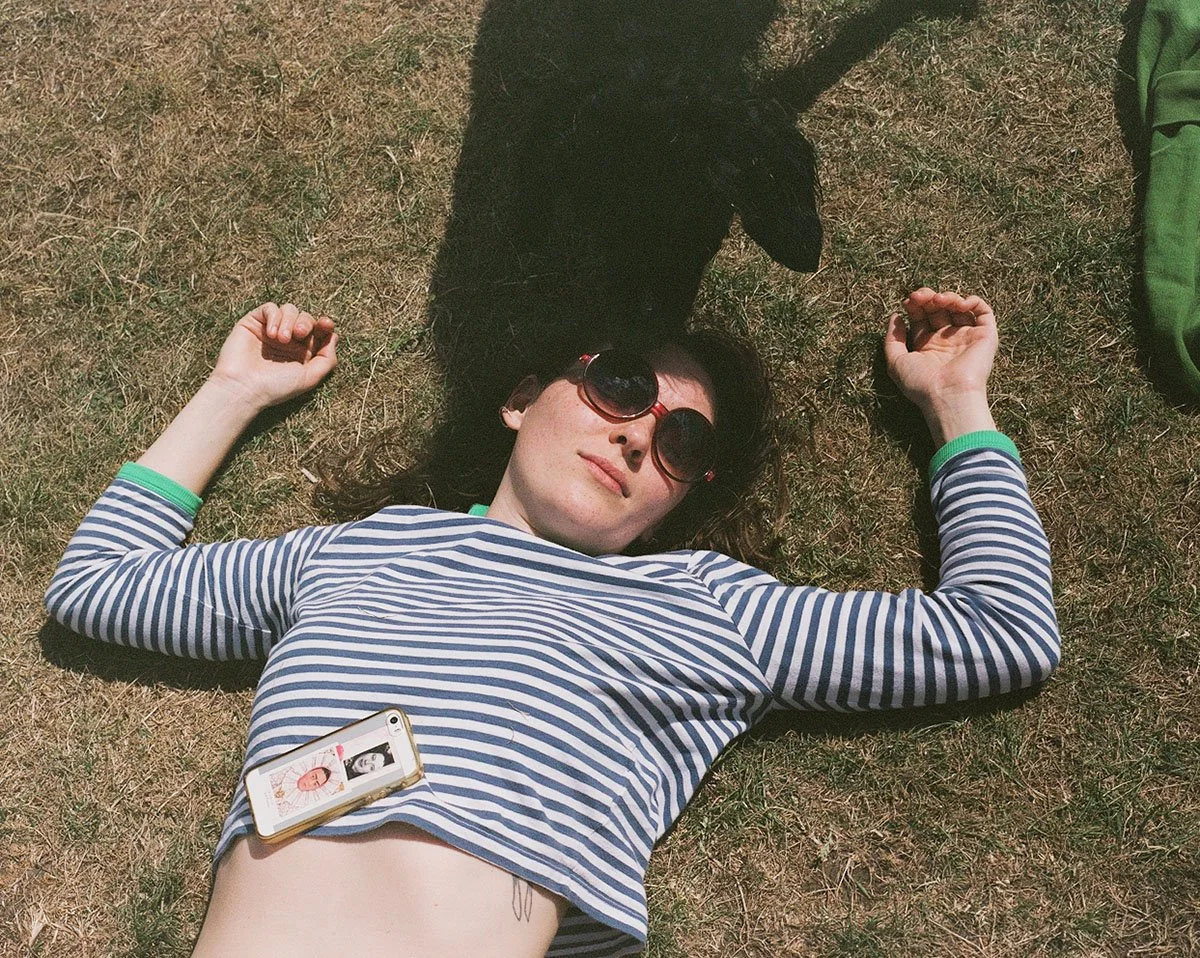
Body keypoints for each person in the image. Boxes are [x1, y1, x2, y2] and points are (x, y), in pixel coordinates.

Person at [45, 290, 1060, 958]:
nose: (637, 434)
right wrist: (233, 392)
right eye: (620, 387)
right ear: (524, 399)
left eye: (682, 441)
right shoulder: (352, 552)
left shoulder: (701, 607)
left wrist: (955, 403)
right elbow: (97, 585)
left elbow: (1000, 630)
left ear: (683, 497)